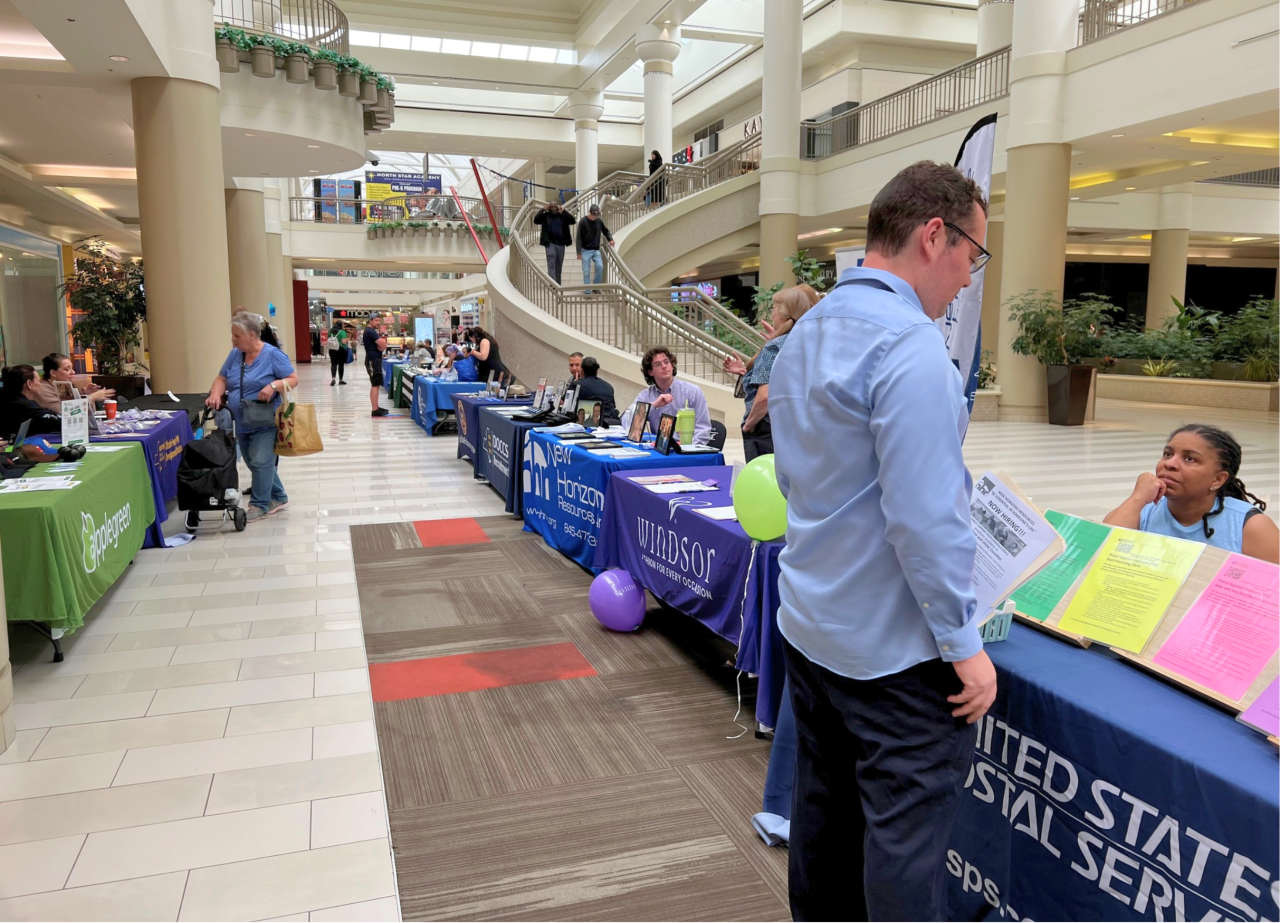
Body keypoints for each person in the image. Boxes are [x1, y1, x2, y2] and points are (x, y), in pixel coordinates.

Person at [768, 160, 997, 921]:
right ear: (935, 236)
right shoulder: (911, 346)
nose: (966, 278)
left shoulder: (808, 331)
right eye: (972, 255)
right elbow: (923, 519)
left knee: (824, 818)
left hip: (811, 623)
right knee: (904, 847)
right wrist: (964, 645)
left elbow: (796, 478)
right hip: (893, 658)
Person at [1105, 424, 1278, 563]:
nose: (1170, 464)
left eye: (1190, 458)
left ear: (1218, 479)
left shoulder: (1250, 526)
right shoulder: (1142, 510)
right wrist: (1138, 497)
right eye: (1168, 454)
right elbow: (1098, 554)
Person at [204, 311, 297, 523]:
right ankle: (279, 497)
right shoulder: (235, 355)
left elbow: (292, 379)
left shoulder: (273, 355)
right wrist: (215, 393)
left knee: (261, 461)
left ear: (252, 335)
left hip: (265, 420)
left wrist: (273, 385)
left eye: (237, 335)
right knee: (254, 462)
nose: (233, 339)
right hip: (239, 421)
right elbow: (222, 378)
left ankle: (259, 504)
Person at [722, 287, 814, 462]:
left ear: (781, 313)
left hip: (766, 429)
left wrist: (749, 424)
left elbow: (765, 396)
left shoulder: (774, 346)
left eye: (774, 308)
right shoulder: (809, 342)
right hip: (797, 427)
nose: (771, 314)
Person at [620, 347, 711, 444]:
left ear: (672, 366)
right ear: (650, 372)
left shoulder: (692, 392)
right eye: (658, 364)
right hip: (659, 448)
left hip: (687, 447)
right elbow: (626, 423)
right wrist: (653, 405)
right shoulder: (646, 395)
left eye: (666, 362)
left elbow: (703, 430)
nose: (664, 366)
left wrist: (687, 448)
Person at [35, 353, 114, 413]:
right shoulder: (43, 389)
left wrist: (85, 394)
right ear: (53, 373)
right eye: (67, 369)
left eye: (72, 368)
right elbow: (66, 411)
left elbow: (84, 412)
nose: (73, 372)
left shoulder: (63, 386)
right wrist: (91, 398)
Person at [0, 364, 61, 441]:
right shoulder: (20, 404)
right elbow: (54, 421)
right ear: (29, 384)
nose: (40, 384)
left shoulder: (8, 396)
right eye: (38, 381)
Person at [532, 201, 576, 284]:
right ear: (549, 207)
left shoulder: (562, 216)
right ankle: (553, 284)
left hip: (561, 244)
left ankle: (557, 284)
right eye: (551, 206)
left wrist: (564, 211)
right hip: (550, 244)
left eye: (555, 206)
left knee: (558, 265)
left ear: (557, 207)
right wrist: (542, 209)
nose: (553, 208)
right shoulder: (545, 216)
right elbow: (536, 220)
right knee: (551, 263)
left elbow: (573, 220)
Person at [575, 204, 614, 293]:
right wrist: (578, 252)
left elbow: (605, 231)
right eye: (593, 215)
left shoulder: (599, 221)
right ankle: (588, 291)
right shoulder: (583, 221)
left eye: (596, 216)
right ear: (590, 213)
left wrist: (610, 239)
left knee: (600, 267)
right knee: (586, 272)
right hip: (585, 250)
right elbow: (579, 237)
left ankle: (595, 287)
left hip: (596, 249)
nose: (594, 217)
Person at [574, 356, 619, 425]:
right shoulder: (609, 386)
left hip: (587, 425)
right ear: (596, 371)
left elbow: (563, 403)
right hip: (611, 424)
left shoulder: (577, 385)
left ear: (582, 371)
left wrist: (575, 382)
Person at [364, 316, 389, 417]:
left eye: (379, 320)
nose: (378, 322)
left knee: (375, 384)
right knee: (375, 384)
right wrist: (381, 348)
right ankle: (375, 409)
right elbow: (384, 345)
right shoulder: (370, 331)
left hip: (372, 360)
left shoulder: (369, 331)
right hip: (373, 360)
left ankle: (376, 407)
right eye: (376, 320)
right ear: (370, 321)